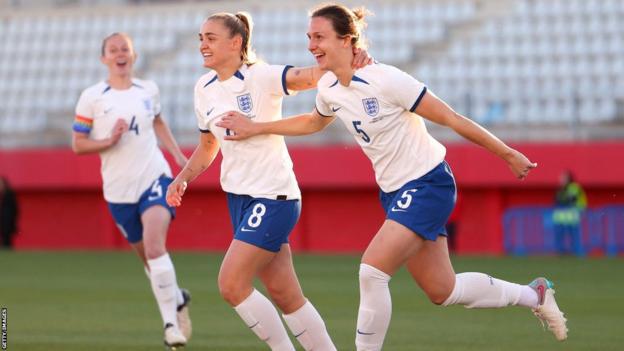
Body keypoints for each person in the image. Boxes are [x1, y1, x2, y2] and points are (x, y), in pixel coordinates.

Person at [216, 3, 569, 349]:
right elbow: (313, 121)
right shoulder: (329, 88)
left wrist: (506, 153)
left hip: (428, 183)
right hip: (395, 192)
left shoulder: (387, 79)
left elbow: (451, 118)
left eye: (320, 36)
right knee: (442, 291)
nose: (311, 45)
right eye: (309, 37)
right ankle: (533, 294)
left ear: (346, 40)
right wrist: (257, 127)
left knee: (371, 270)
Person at [166, 12, 370, 351]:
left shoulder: (261, 76)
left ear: (236, 43)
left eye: (210, 38)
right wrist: (183, 177)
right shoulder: (203, 89)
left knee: (231, 284)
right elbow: (207, 146)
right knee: (286, 295)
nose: (202, 44)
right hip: (240, 199)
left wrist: (351, 58)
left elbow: (310, 76)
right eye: (201, 37)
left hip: (273, 197)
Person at [71, 32, 192, 349]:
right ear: (104, 59)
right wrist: (108, 140)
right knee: (149, 262)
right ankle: (177, 298)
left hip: (155, 178)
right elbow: (78, 144)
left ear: (134, 55)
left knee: (155, 247)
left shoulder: (148, 89)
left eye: (125, 48)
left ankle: (170, 326)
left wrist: (179, 157)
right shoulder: (93, 96)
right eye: (113, 50)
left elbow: (159, 122)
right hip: (118, 191)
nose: (120, 53)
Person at [553, 170, 587, 255]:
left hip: (574, 211)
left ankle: (577, 251)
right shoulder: (563, 189)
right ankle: (562, 250)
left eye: (563, 178)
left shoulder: (573, 186)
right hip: (567, 213)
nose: (560, 179)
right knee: (562, 232)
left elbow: (570, 199)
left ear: (568, 178)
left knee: (573, 233)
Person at [0, 176, 19, 249]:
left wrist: (12, 220)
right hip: (5, 220)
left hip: (8, 220)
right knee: (5, 237)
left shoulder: (9, 194)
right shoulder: (4, 194)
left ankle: (7, 249)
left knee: (7, 237)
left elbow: (14, 209)